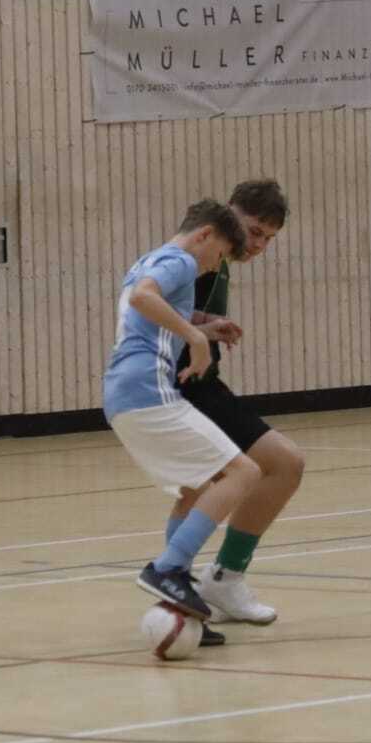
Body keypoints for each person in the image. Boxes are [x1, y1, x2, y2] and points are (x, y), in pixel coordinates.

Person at [103, 199, 259, 621]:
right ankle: (168, 568)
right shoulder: (181, 261)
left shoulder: (149, 259)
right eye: (220, 255)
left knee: (195, 488)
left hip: (125, 395)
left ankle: (178, 591)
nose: (214, 266)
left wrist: (204, 328)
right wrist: (195, 337)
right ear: (204, 234)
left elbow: (148, 312)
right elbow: (144, 298)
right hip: (146, 390)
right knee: (243, 472)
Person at [166, 179, 303, 646]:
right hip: (180, 388)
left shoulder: (219, 261)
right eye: (254, 231)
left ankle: (204, 584)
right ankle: (184, 586)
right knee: (222, 481)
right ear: (227, 215)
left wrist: (207, 325)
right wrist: (200, 330)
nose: (259, 245)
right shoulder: (195, 257)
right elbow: (147, 301)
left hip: (202, 386)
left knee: (263, 469)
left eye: (269, 238)